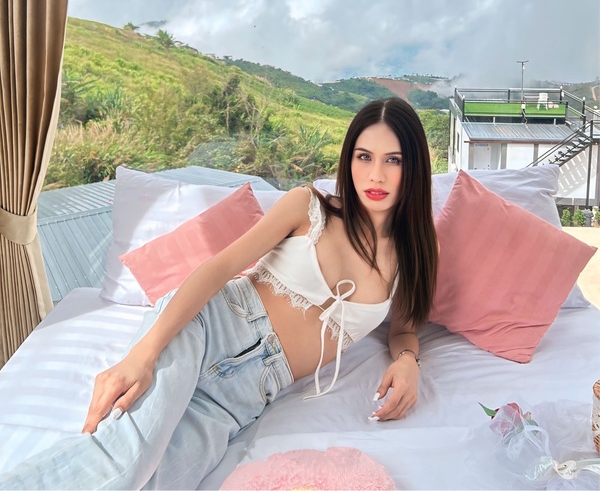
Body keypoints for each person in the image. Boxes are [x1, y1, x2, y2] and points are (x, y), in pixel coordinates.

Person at [0, 97, 438, 490]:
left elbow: (404, 329)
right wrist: (142, 355)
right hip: (209, 326)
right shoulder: (308, 207)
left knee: (159, 483)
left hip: (244, 396)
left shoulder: (416, 252)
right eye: (364, 156)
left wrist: (408, 362)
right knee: (123, 464)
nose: (375, 174)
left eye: (393, 160)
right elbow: (219, 267)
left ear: (414, 167)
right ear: (349, 159)